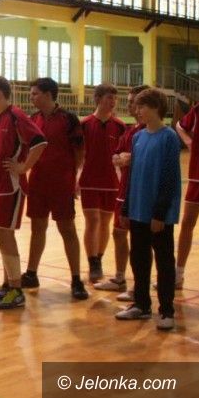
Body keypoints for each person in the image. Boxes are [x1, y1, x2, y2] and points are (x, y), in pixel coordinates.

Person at [115, 89, 180, 331]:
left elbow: (169, 178)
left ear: (155, 108)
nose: (137, 111)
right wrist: (126, 207)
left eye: (141, 106)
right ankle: (141, 305)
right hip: (137, 210)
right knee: (139, 259)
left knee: (164, 262)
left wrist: (159, 213)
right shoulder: (138, 137)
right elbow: (132, 175)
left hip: (158, 214)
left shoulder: (169, 137)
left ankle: (167, 310)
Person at [0, 76, 47, 310]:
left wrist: (23, 167)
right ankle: (7, 284)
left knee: (4, 235)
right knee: (0, 235)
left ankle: (17, 290)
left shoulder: (16, 115)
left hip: (10, 187)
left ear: (0, 93)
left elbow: (39, 142)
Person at [22, 78, 88, 300]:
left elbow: (79, 152)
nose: (31, 97)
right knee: (37, 228)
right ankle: (31, 273)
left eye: (35, 93)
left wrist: (76, 178)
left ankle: (76, 279)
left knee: (67, 229)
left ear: (49, 94)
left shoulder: (68, 119)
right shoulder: (32, 119)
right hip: (38, 182)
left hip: (62, 183)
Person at [99, 85, 149, 298]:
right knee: (118, 233)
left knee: (140, 241)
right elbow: (117, 153)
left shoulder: (151, 132)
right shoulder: (130, 130)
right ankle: (119, 278)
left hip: (140, 193)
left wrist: (132, 159)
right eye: (128, 102)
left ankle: (140, 287)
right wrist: (118, 158)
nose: (129, 106)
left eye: (132, 102)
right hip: (124, 190)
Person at [79, 83, 126, 283]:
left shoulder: (120, 126)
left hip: (112, 182)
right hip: (89, 181)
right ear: (98, 99)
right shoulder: (84, 124)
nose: (113, 101)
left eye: (115, 98)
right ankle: (93, 263)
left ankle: (99, 257)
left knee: (105, 222)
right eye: (109, 97)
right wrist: (75, 178)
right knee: (92, 221)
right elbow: (78, 155)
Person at [174, 99, 199, 291]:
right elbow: (180, 125)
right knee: (187, 224)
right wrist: (189, 141)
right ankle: (178, 275)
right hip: (198, 177)